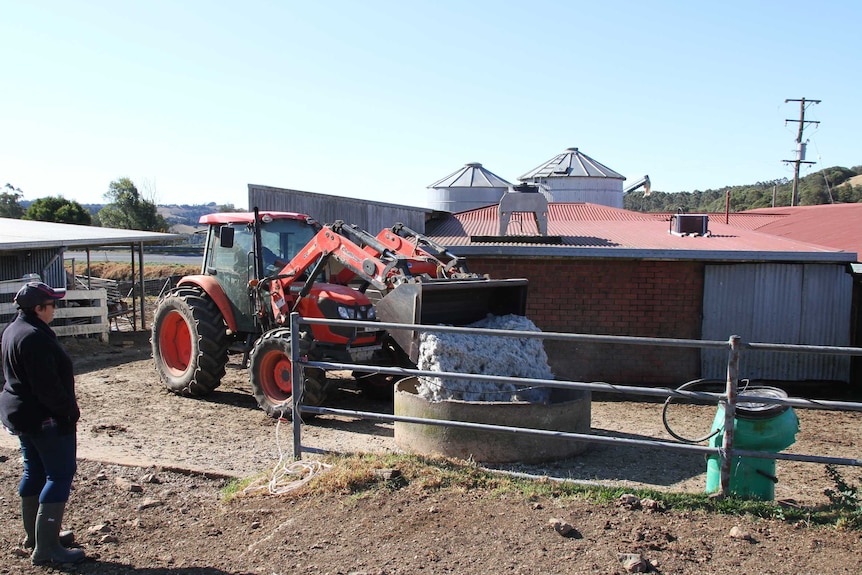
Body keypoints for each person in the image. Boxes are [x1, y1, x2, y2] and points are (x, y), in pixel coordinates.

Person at [0, 281, 85, 564]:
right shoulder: (34, 338)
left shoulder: (13, 330)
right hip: (44, 417)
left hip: (22, 415)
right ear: (38, 309)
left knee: (34, 471)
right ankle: (47, 548)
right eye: (51, 305)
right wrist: (68, 413)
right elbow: (47, 387)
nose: (54, 310)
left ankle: (37, 536)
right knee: (59, 474)